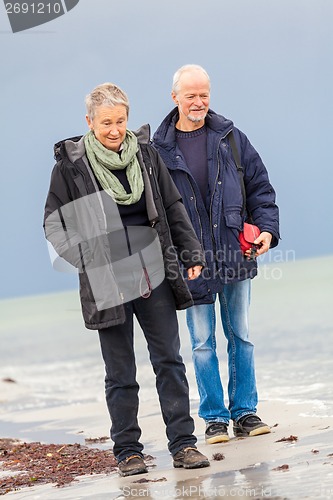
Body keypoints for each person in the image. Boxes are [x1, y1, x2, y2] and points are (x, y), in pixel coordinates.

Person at [43, 82, 210, 476]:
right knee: (120, 372)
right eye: (106, 123)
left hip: (154, 270)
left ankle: (184, 445)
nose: (115, 130)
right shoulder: (72, 166)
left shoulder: (147, 156)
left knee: (169, 360)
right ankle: (128, 452)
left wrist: (191, 253)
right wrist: (84, 258)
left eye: (120, 121)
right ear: (89, 122)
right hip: (107, 278)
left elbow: (171, 205)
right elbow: (54, 223)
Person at [153, 64, 280, 444]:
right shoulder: (158, 151)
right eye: (190, 95)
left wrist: (269, 230)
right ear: (174, 97)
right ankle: (214, 419)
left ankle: (245, 411)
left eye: (204, 94)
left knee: (240, 335)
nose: (199, 102)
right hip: (191, 262)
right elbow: (156, 209)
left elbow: (260, 188)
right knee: (203, 342)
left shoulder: (231, 137)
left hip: (234, 254)